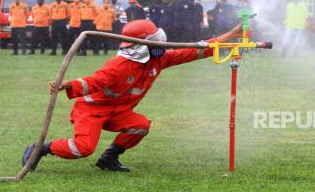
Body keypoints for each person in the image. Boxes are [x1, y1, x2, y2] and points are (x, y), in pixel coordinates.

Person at [21, 19, 243, 172]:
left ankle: (109, 158)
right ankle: (43, 148)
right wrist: (68, 85)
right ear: (142, 45)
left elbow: (193, 51)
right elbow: (94, 81)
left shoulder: (159, 59)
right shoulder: (119, 66)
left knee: (141, 125)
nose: (162, 45)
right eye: (156, 40)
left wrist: (232, 35)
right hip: (91, 111)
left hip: (118, 113)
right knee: (83, 148)